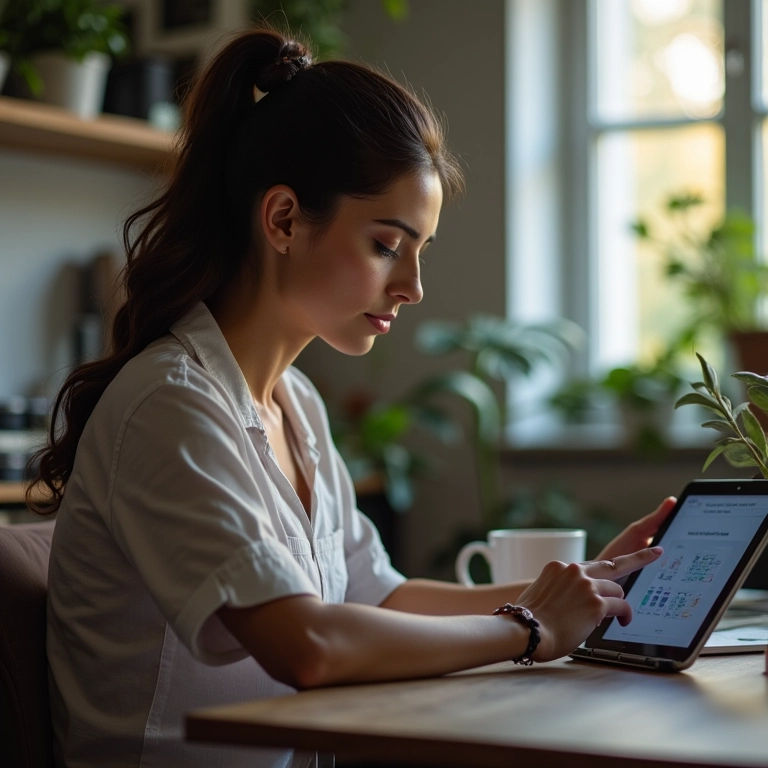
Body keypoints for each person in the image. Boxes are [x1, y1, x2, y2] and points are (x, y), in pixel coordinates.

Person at [30, 27, 673, 768]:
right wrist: (530, 627)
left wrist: (577, 589)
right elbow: (309, 642)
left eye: (418, 251)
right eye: (385, 244)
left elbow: (378, 597)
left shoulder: (293, 403)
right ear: (282, 220)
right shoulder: (170, 404)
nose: (413, 287)